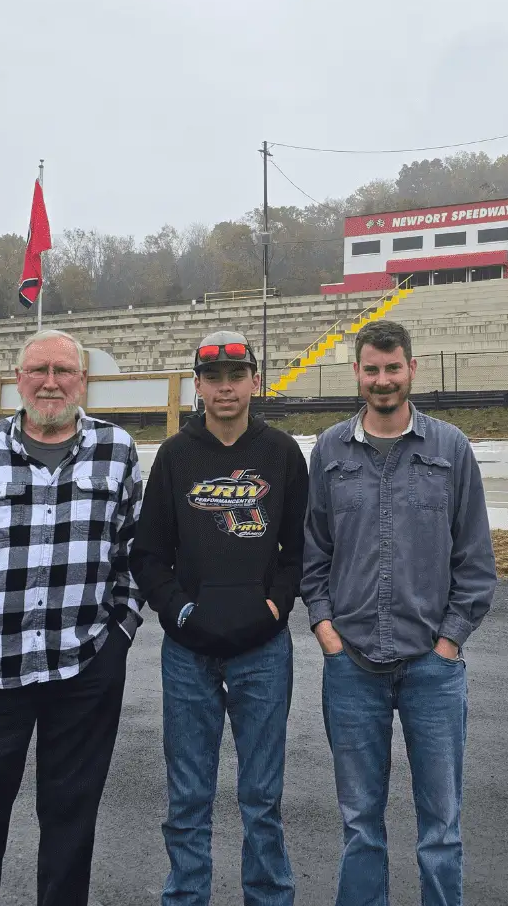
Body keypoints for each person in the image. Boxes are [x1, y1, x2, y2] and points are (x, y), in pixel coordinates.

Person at [0, 329, 145, 906]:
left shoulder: (117, 451)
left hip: (82, 669)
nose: (50, 381)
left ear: (83, 381)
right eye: (38, 369)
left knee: (71, 827)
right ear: (17, 378)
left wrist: (117, 638)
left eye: (63, 370)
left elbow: (135, 558)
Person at [301, 319, 496, 906]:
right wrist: (326, 629)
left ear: (412, 368)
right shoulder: (330, 451)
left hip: (431, 670)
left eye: (392, 368)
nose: (382, 380)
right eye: (371, 369)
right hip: (352, 664)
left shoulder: (450, 449)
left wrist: (450, 643)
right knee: (361, 826)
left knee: (441, 830)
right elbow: (314, 551)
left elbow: (476, 559)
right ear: (357, 374)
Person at [132, 330, 308, 906]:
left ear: (255, 381)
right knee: (188, 795)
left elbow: (299, 550)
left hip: (263, 648)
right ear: (199, 386)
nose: (226, 388)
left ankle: (269, 896)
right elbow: (148, 553)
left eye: (237, 377)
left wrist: (275, 606)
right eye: (213, 379)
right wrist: (180, 610)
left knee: (261, 795)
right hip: (189, 651)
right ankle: (185, 897)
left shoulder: (281, 454)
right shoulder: (175, 457)